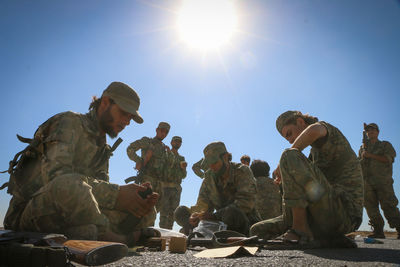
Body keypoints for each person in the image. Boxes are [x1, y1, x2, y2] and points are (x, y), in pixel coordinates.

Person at [3, 82, 159, 246]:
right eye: (123, 113)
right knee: (69, 184)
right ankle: (115, 239)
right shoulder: (69, 122)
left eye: (130, 118)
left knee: (145, 211)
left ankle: (95, 235)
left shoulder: (103, 147)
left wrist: (132, 199)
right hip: (28, 213)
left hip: (73, 211)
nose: (127, 122)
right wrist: (117, 194)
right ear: (105, 102)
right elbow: (56, 178)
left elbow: (96, 197)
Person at [250, 111, 363, 247]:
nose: (291, 140)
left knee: (289, 155)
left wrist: (283, 163)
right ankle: (327, 238)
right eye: (287, 139)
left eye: (290, 133)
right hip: (319, 215)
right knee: (257, 231)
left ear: (300, 122)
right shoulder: (312, 156)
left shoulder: (326, 131)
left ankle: (300, 230)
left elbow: (314, 130)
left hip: (344, 215)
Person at [174, 142, 260, 235]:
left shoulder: (242, 171)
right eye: (209, 163)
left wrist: (214, 216)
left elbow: (245, 203)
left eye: (214, 162)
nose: (211, 167)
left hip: (244, 223)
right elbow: (203, 203)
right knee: (181, 211)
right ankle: (192, 232)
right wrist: (196, 215)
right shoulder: (209, 177)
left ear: (226, 157)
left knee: (231, 212)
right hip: (219, 223)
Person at [359, 122, 400, 239]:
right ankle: (378, 230)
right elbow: (359, 164)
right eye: (368, 130)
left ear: (377, 132)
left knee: (389, 206)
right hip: (367, 182)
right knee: (370, 207)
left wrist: (369, 155)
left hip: (383, 181)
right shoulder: (362, 148)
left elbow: (388, 159)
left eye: (373, 130)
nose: (370, 132)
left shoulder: (385, 145)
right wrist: (362, 158)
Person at [126, 121, 170, 215]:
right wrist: (138, 161)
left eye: (166, 132)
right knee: (141, 207)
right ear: (157, 130)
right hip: (147, 179)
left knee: (154, 211)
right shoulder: (147, 141)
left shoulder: (164, 148)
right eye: (162, 130)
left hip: (159, 182)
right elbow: (130, 148)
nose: (164, 133)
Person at [159, 136, 187, 229]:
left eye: (179, 142)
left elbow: (184, 175)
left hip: (176, 188)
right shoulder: (165, 154)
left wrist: (183, 169)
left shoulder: (181, 158)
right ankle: (161, 234)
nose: (177, 143)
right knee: (164, 211)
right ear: (171, 142)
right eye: (176, 141)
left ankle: (169, 233)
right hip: (165, 186)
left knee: (173, 213)